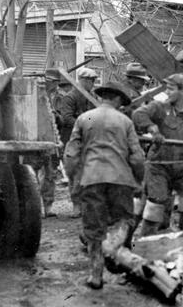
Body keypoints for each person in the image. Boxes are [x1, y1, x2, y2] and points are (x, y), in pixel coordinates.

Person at [63, 81, 145, 289]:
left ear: (102, 97)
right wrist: (139, 180)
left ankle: (96, 274)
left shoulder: (86, 117)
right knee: (125, 219)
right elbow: (137, 157)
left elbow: (71, 153)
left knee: (93, 227)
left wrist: (74, 179)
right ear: (117, 99)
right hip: (120, 179)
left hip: (92, 178)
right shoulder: (124, 121)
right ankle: (114, 249)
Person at [132, 73, 183, 244]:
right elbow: (137, 115)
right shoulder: (159, 107)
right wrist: (152, 128)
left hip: (182, 167)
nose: (168, 92)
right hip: (159, 166)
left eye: (171, 89)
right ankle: (144, 244)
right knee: (156, 206)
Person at [59, 67, 99, 217]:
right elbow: (66, 118)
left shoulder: (93, 97)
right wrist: (85, 123)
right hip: (74, 141)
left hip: (91, 141)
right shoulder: (70, 97)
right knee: (75, 173)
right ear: (82, 80)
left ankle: (88, 206)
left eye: (94, 81)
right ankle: (77, 206)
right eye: (90, 81)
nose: (92, 84)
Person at [36, 68, 66, 218]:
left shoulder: (59, 98)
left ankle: (47, 207)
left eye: (51, 82)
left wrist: (56, 116)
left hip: (53, 140)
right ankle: (36, 207)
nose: (49, 84)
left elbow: (63, 118)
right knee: (33, 174)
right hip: (36, 138)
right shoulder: (36, 95)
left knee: (50, 175)